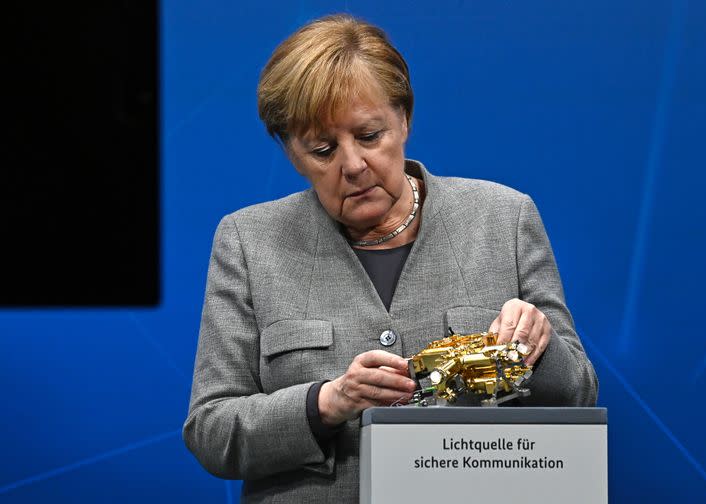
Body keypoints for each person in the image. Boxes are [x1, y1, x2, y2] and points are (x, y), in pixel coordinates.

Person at [183, 14, 598, 503]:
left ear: (404, 119)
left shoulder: (504, 217)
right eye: (321, 148)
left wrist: (535, 348)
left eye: (369, 135)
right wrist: (326, 402)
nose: (353, 165)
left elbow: (580, 395)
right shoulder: (247, 241)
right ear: (290, 152)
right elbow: (212, 432)